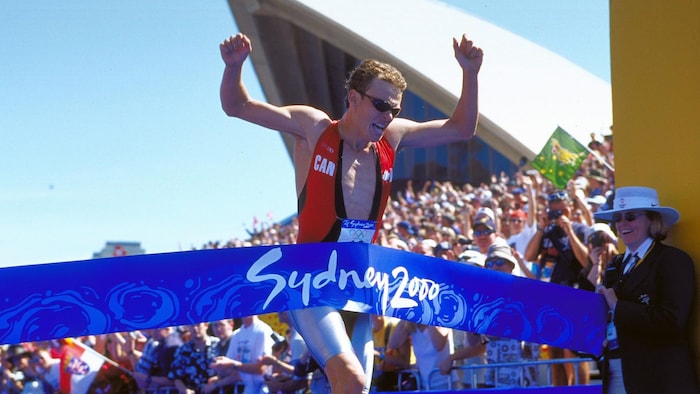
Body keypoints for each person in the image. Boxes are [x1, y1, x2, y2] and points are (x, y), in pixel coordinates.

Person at [219, 31, 482, 393]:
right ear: (353, 98)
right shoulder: (314, 128)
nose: (388, 116)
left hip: (358, 288)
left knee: (356, 388)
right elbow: (237, 106)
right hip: (310, 284)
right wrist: (234, 68)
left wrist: (470, 73)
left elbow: (462, 128)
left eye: (396, 109)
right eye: (381, 105)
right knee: (352, 379)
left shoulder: (392, 138)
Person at [594, 186, 699, 393]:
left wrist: (618, 306)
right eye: (618, 217)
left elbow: (672, 321)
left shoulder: (672, 260)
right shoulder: (615, 264)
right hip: (617, 373)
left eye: (630, 216)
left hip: (660, 378)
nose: (622, 223)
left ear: (652, 219)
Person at [525, 190, 591, 386]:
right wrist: (541, 227)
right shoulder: (547, 232)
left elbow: (586, 260)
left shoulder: (580, 230)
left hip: (575, 295)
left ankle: (581, 390)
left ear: (570, 210)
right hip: (551, 298)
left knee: (575, 348)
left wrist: (569, 230)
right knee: (554, 349)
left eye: (561, 211)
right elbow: (528, 256)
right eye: (554, 213)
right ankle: (559, 389)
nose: (558, 216)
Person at [211, 315, 275, 394]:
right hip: (245, 390)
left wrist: (233, 364)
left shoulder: (262, 330)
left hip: (263, 389)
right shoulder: (237, 334)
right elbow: (231, 371)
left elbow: (261, 369)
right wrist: (220, 368)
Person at [168, 322, 220, 394]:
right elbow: (175, 376)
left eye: (198, 325)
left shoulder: (218, 344)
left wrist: (216, 382)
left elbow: (229, 371)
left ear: (206, 325)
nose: (195, 328)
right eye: (192, 326)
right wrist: (184, 390)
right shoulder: (183, 350)